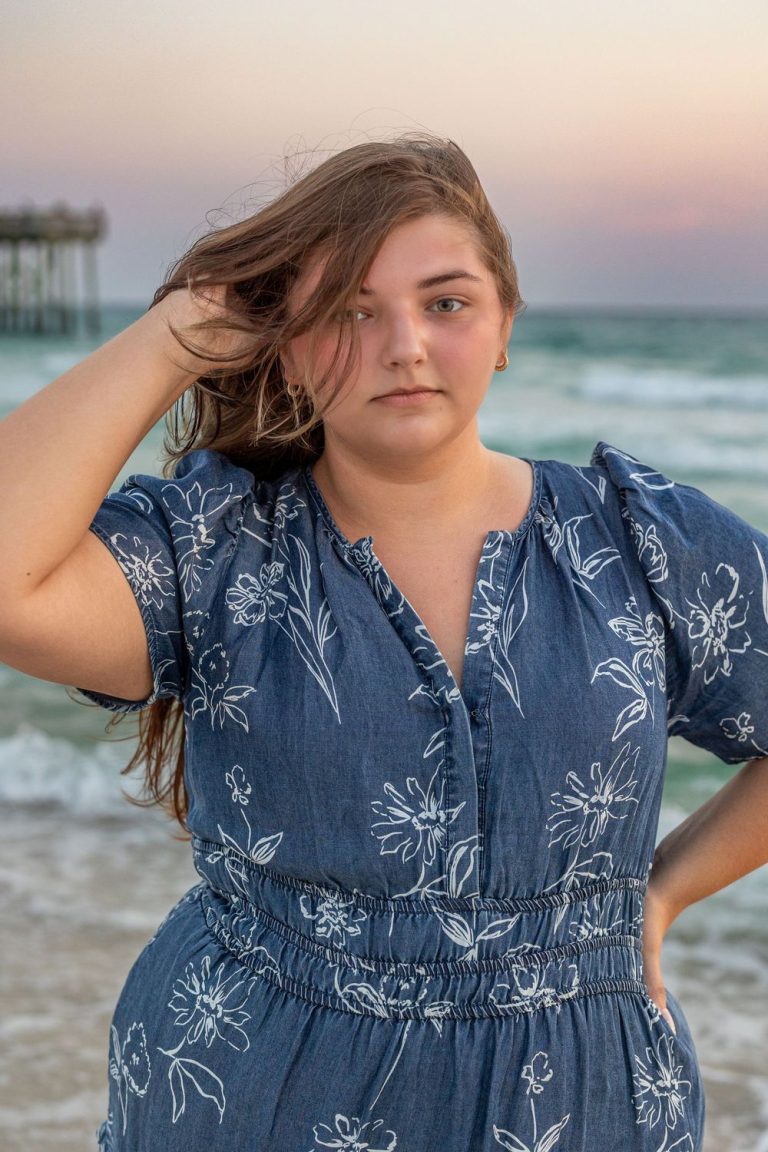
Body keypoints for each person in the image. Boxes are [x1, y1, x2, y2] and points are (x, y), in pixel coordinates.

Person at [0, 134, 766, 1152]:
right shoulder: (220, 551)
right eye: (347, 313)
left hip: (582, 1106)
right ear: (283, 340)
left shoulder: (636, 543)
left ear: (503, 325)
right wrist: (184, 328)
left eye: (445, 302)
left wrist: (665, 888)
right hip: (246, 1096)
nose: (402, 344)